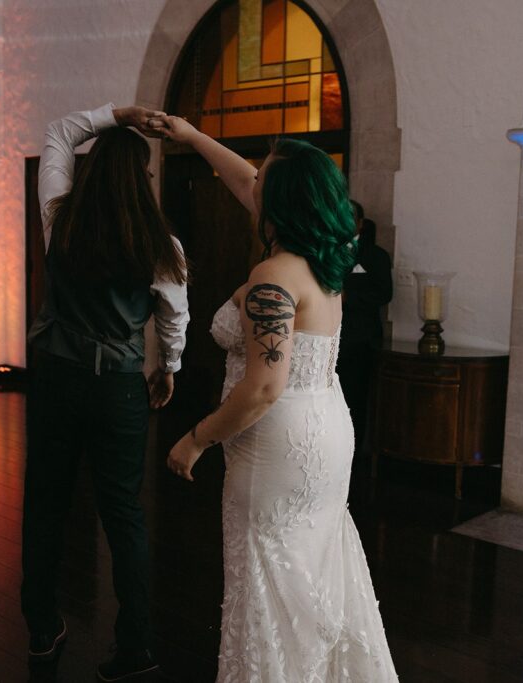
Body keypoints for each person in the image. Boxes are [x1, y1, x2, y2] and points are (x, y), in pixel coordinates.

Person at [161, 117, 398, 681]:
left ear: (278, 203)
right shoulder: (331, 253)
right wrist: (192, 137)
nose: (251, 183)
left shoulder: (273, 275)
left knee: (266, 576)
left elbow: (265, 386)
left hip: (277, 446)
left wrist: (197, 438)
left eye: (263, 180)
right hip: (329, 430)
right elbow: (244, 180)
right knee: (313, 566)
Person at [21, 104, 189, 682]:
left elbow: (60, 133)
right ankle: (137, 645)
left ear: (90, 175)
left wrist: (119, 113)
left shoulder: (59, 216)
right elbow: (173, 319)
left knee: (45, 503)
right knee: (123, 515)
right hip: (119, 387)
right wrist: (168, 368)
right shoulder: (161, 245)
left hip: (55, 381)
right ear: (141, 180)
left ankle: (43, 628)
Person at [337, 201, 393, 456]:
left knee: (356, 401)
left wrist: (349, 298)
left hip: (360, 340)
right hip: (330, 339)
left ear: (360, 223)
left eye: (350, 218)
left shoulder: (375, 255)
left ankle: (353, 455)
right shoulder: (326, 251)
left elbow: (384, 294)